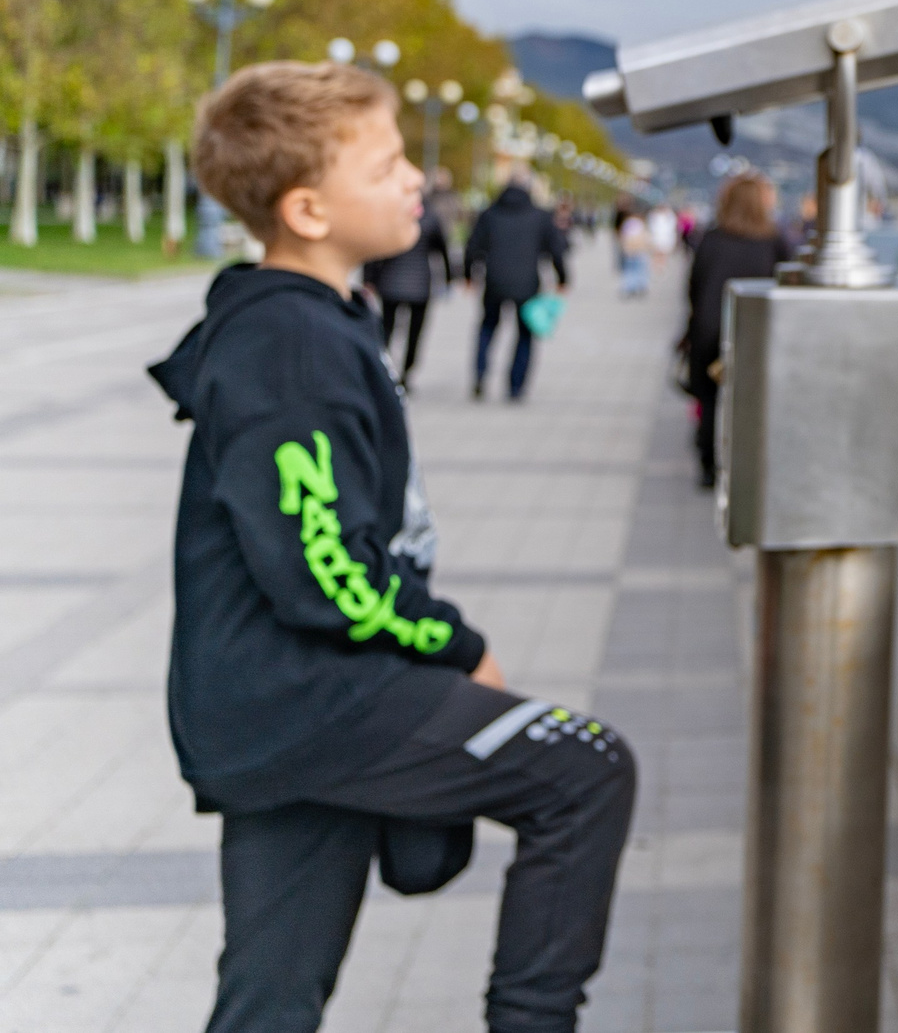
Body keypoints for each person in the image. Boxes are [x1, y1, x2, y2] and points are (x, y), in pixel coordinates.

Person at [149, 62, 634, 1033]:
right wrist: (459, 649)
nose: (417, 177)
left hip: (273, 708)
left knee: (270, 998)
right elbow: (318, 565)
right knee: (586, 768)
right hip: (312, 699)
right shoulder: (288, 343)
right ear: (307, 208)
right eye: (386, 164)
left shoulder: (305, 322)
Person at [681, 171, 788, 490]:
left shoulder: (712, 238)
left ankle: (708, 466)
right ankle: (747, 464)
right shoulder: (774, 241)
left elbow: (693, 287)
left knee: (711, 400)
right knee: (753, 402)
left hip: (710, 331)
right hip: (755, 336)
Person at [462, 172, 571, 402]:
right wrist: (563, 279)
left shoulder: (490, 214)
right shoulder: (539, 216)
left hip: (494, 281)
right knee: (524, 335)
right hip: (527, 284)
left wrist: (468, 275)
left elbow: (472, 247)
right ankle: (516, 385)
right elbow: (557, 249)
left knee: (488, 328)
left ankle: (480, 374)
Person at [361, 200, 450, 392]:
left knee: (386, 331)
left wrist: (369, 278)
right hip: (420, 287)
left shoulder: (391, 215)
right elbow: (442, 250)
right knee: (414, 334)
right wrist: (449, 279)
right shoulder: (431, 217)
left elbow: (375, 249)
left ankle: (383, 371)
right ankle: (406, 374)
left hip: (390, 284)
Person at [615, 198, 651, 299]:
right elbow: (645, 238)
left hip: (629, 250)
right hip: (639, 250)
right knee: (640, 269)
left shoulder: (627, 224)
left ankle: (628, 287)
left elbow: (622, 237)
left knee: (629, 270)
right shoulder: (641, 224)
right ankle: (640, 286)